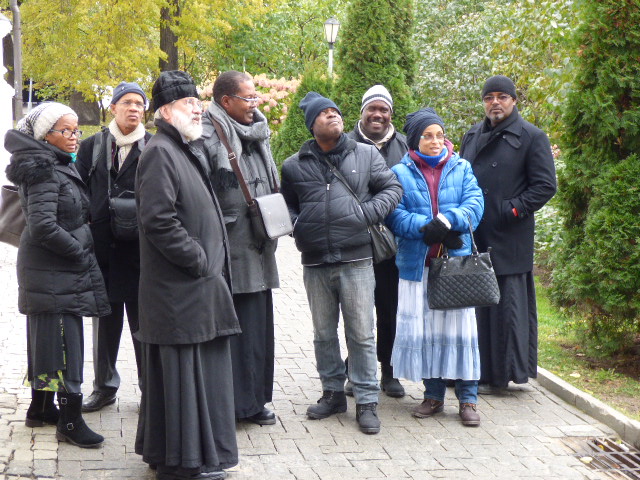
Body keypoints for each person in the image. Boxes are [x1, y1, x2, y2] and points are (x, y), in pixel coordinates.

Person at [134, 71, 241, 480]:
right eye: (187, 103)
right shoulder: (161, 151)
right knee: (185, 379)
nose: (197, 108)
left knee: (199, 377)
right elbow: (159, 221)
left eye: (198, 101)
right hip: (180, 291)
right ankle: (186, 462)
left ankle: (184, 455)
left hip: (194, 290)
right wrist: (198, 259)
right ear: (164, 110)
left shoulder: (182, 146)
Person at [280, 92, 402, 435]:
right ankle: (333, 393)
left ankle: (366, 401)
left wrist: (365, 214)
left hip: (357, 259)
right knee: (322, 334)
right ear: (312, 125)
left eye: (336, 111)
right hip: (315, 262)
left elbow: (392, 188)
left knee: (362, 334)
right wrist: (297, 226)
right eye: (324, 114)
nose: (333, 116)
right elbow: (284, 203)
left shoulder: (365, 154)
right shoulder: (294, 165)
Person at [4, 102, 111, 447]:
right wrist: (79, 251)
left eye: (76, 130)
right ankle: (69, 421)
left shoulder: (52, 164)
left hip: (50, 269)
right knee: (65, 344)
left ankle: (40, 409)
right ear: (44, 135)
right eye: (65, 131)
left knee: (48, 341)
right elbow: (44, 226)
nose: (74, 137)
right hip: (54, 268)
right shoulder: (43, 170)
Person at [386, 107, 484, 426]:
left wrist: (446, 221)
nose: (435, 141)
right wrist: (425, 227)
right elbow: (394, 214)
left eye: (439, 135)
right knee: (428, 333)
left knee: (461, 332)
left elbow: (475, 205)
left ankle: (468, 400)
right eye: (427, 136)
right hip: (419, 266)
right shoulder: (400, 173)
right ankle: (433, 395)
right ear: (415, 140)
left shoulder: (461, 167)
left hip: (455, 266)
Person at [459, 75, 557, 393]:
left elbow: (545, 186)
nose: (495, 102)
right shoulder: (471, 135)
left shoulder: (532, 137)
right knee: (476, 307)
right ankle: (477, 372)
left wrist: (511, 209)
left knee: (506, 309)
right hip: (475, 235)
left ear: (514, 101)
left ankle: (504, 374)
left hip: (509, 237)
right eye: (489, 97)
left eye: (502, 96)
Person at [196, 71, 279, 426]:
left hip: (260, 242)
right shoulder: (206, 133)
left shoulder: (257, 131)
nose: (254, 105)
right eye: (248, 99)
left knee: (258, 327)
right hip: (230, 248)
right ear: (226, 101)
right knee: (235, 329)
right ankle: (232, 405)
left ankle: (255, 400)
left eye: (256, 97)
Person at [76, 82, 152, 412]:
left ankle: (151, 388)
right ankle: (104, 387)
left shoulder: (155, 147)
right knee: (104, 326)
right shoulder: (93, 146)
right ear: (113, 108)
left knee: (143, 326)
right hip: (102, 252)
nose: (134, 108)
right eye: (127, 102)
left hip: (141, 253)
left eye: (140, 103)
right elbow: (77, 191)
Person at [346, 84, 408, 398]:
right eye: (372, 108)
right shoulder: (345, 144)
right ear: (363, 111)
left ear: (391, 114)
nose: (378, 115)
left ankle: (389, 371)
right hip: (354, 242)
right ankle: (354, 371)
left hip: (392, 246)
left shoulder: (405, 147)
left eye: (384, 110)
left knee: (389, 309)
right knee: (357, 312)